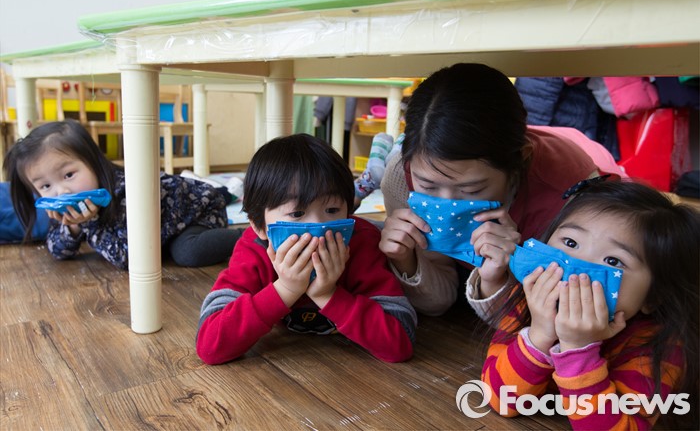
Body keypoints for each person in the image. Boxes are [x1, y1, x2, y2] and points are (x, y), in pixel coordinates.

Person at [379, 63, 627, 316]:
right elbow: (438, 300)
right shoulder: (402, 176)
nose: (448, 203)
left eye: (472, 190)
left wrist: (500, 274)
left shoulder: (569, 195)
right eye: (428, 185)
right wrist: (406, 260)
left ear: (521, 161)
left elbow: (561, 314)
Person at [480, 180, 699, 429]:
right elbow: (500, 400)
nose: (576, 270)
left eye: (613, 261)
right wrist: (540, 334)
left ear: (653, 297)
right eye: (570, 243)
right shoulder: (527, 304)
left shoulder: (659, 345)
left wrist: (578, 349)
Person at [196, 133, 416, 365]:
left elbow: (400, 342)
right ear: (259, 227)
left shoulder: (361, 242)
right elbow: (210, 345)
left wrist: (327, 294)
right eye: (297, 214)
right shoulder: (254, 249)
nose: (318, 228)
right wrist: (286, 289)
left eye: (332, 210)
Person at [3, 120, 241, 270]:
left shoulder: (128, 191)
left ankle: (247, 236)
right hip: (164, 227)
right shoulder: (70, 204)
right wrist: (74, 226)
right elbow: (57, 250)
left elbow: (129, 258)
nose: (61, 191)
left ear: (94, 162)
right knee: (162, 250)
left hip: (199, 210)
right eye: (45, 186)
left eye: (68, 175)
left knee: (186, 253)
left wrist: (90, 222)